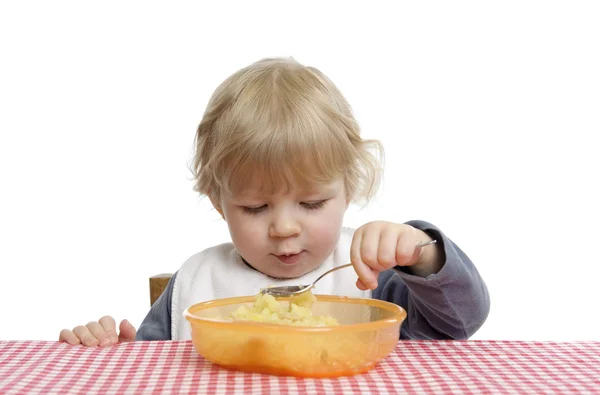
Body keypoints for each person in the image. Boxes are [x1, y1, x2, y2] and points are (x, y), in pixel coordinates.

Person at [59, 57, 490, 347]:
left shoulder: (372, 274)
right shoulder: (196, 282)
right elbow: (154, 367)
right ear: (217, 201)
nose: (284, 227)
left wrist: (420, 255)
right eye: (254, 207)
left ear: (349, 188)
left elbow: (458, 323)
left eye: (312, 202)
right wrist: (117, 353)